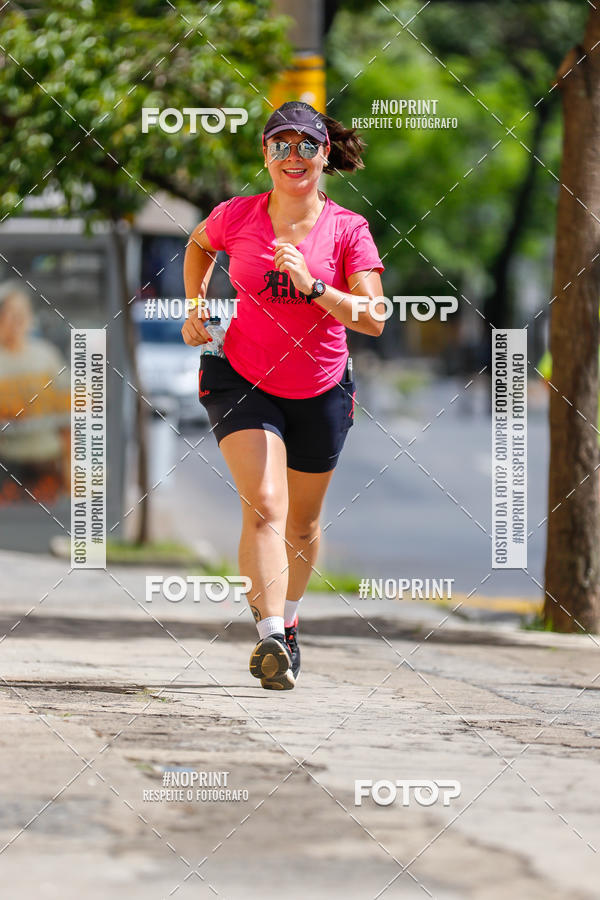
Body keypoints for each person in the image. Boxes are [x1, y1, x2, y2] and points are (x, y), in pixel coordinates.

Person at [183, 100, 385, 690]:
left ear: (324, 154)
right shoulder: (236, 215)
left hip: (321, 388)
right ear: (265, 154)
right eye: (280, 145)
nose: (292, 157)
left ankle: (289, 623)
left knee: (301, 524)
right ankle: (270, 636)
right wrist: (196, 305)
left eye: (305, 146)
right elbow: (199, 244)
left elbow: (373, 317)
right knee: (265, 505)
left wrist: (314, 285)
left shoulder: (347, 230)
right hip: (242, 376)